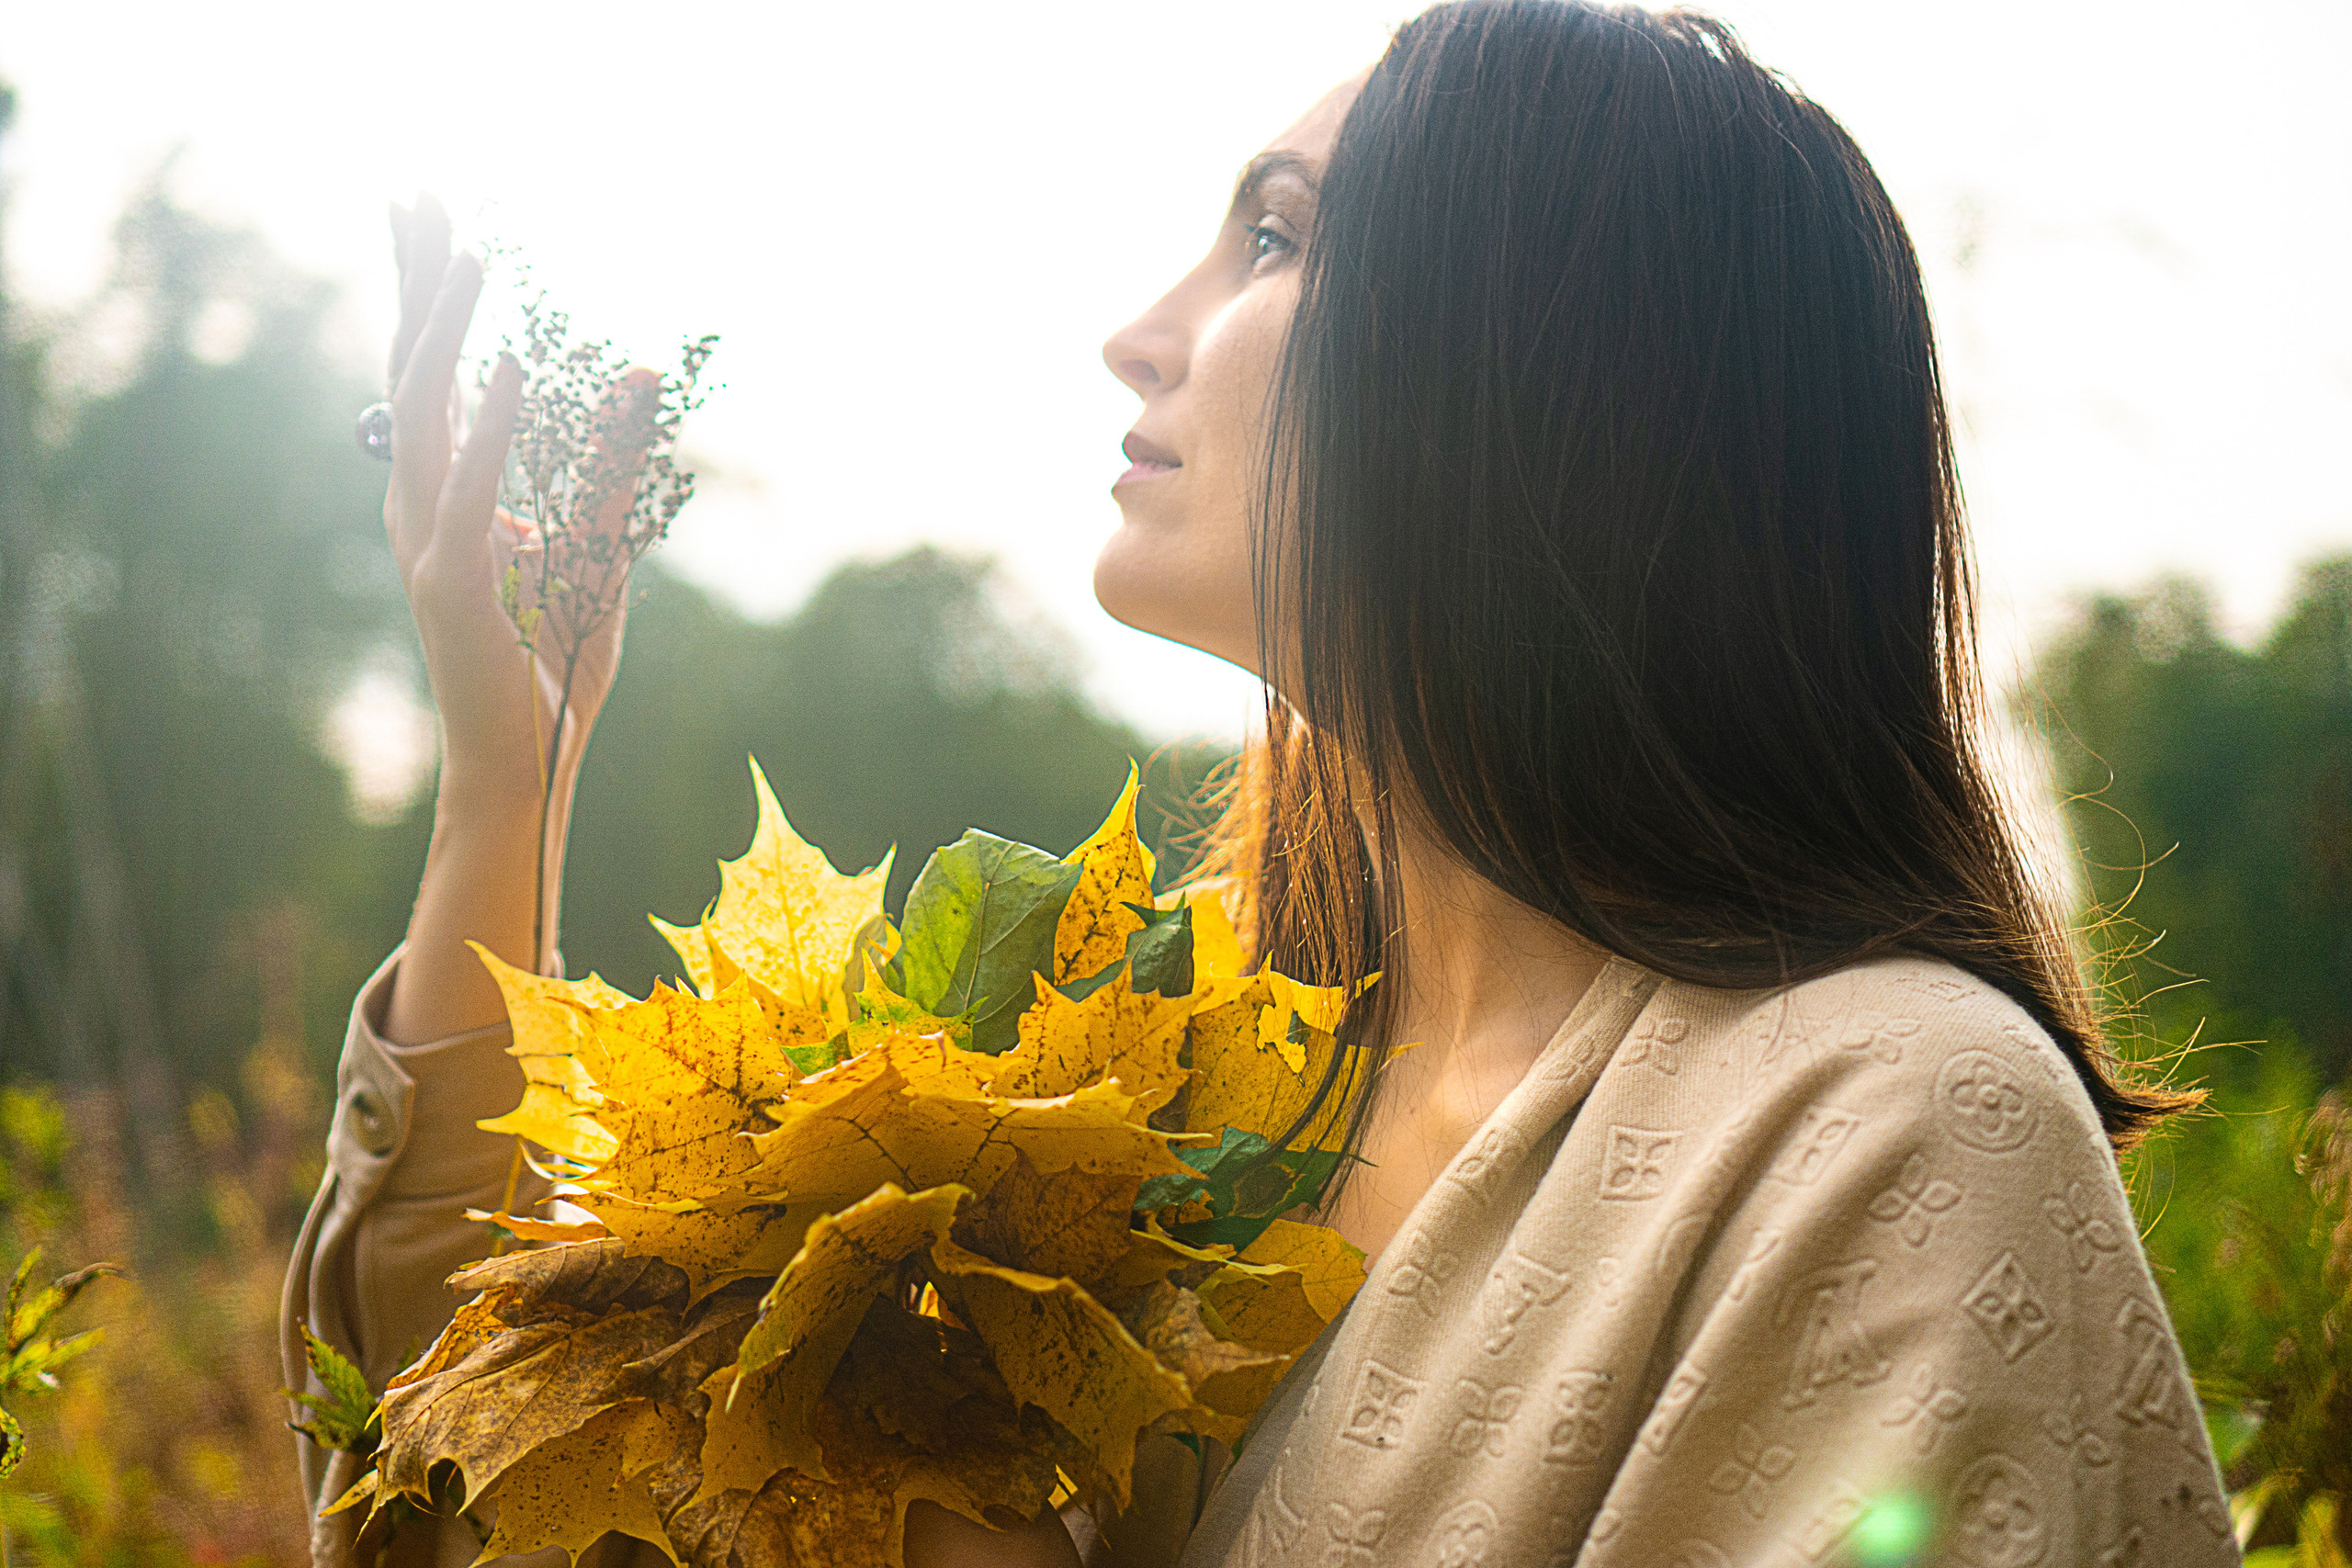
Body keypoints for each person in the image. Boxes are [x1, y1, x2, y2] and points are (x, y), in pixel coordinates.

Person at [284, 3, 2242, 1564]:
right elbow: (483, 1477)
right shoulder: (1164, 1079)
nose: (1138, 333)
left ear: (1533, 376)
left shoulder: (1884, 1131)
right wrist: (506, 790)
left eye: (1279, 236)